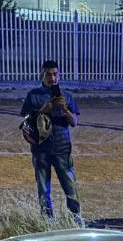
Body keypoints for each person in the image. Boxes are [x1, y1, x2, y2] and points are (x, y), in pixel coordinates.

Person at [20, 60, 84, 225]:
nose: (52, 78)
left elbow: (74, 122)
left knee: (70, 187)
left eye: (55, 74)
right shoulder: (33, 95)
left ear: (59, 75)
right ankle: (47, 222)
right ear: (42, 75)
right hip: (40, 149)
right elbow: (26, 120)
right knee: (43, 188)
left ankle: (76, 221)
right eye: (48, 74)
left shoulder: (66, 96)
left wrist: (65, 109)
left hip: (62, 148)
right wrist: (44, 109)